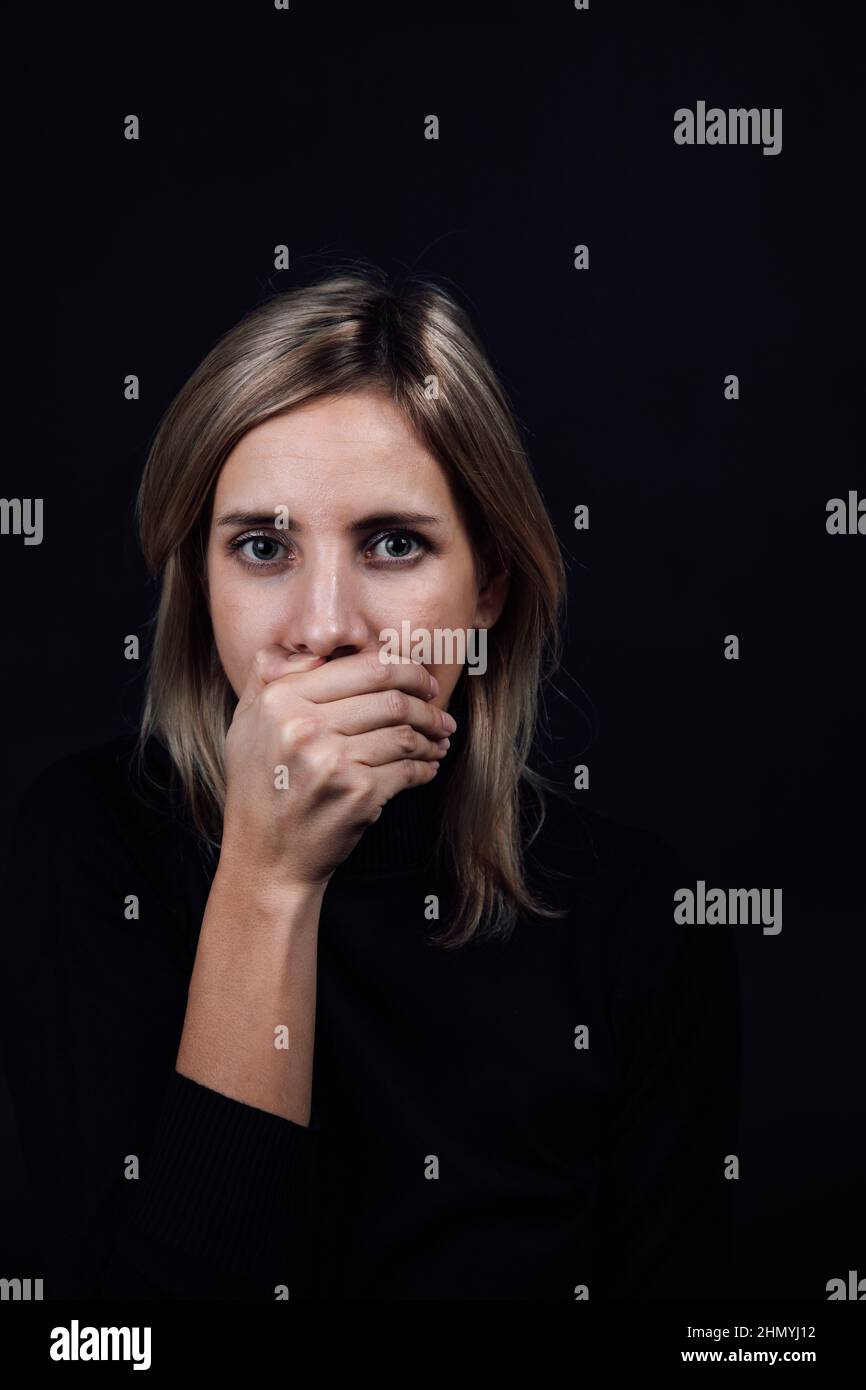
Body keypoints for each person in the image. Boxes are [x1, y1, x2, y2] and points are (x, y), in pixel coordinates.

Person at [0, 268, 742, 1300]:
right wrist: (268, 879)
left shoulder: (633, 920)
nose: (325, 625)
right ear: (200, 585)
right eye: (262, 547)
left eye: (392, 544)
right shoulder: (84, 850)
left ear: (485, 588)